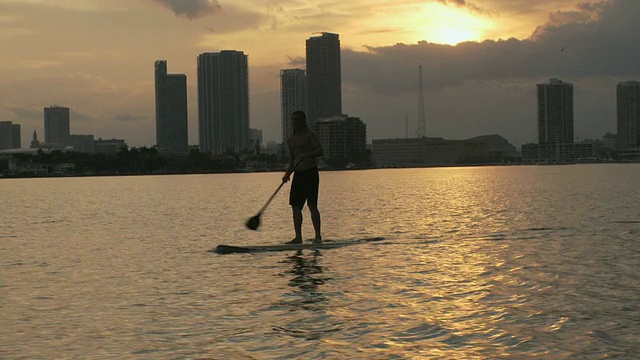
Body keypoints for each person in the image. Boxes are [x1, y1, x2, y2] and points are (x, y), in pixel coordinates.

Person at [282, 110, 324, 244]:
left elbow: (320, 151)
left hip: (310, 173)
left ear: (302, 121)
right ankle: (298, 237)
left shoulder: (310, 136)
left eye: (296, 119)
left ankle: (318, 236)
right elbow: (292, 160)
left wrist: (307, 155)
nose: (294, 122)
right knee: (295, 206)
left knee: (312, 205)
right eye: (292, 120)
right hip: (298, 175)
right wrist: (287, 174)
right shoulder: (291, 140)